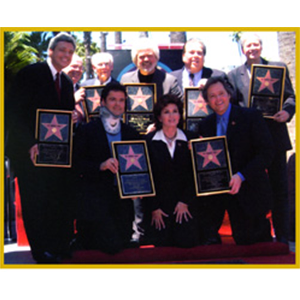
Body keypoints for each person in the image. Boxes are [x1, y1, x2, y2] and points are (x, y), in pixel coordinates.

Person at [6, 32, 77, 263]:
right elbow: (13, 113)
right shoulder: (30, 74)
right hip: (29, 154)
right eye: (62, 50)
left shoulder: (66, 83)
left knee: (54, 201)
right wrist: (30, 144)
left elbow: (62, 118)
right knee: (35, 201)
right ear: (51, 51)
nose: (66, 55)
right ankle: (40, 251)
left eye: (70, 52)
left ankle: (56, 247)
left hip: (56, 156)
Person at [227, 33, 296, 244]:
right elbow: (234, 107)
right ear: (242, 49)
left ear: (261, 47)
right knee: (253, 187)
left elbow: (291, 96)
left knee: (280, 188)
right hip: (250, 143)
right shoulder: (233, 75)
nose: (252, 49)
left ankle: (283, 235)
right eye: (248, 45)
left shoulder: (277, 68)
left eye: (255, 44)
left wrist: (287, 111)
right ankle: (257, 234)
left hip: (275, 135)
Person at [197, 76, 274, 245]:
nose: (218, 99)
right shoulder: (205, 125)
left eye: (221, 94)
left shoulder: (251, 116)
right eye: (212, 96)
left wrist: (241, 176)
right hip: (217, 196)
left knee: (254, 246)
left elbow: (266, 153)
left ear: (229, 94)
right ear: (207, 101)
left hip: (249, 192)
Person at [73, 82, 140, 254]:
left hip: (121, 202)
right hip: (95, 201)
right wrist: (100, 166)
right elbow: (75, 164)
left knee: (122, 242)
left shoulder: (131, 133)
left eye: (121, 100)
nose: (117, 104)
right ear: (102, 102)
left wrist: (137, 187)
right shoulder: (87, 130)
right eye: (112, 100)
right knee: (108, 246)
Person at [143, 94, 199, 247]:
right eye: (166, 112)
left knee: (186, 243)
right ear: (159, 117)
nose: (172, 115)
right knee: (161, 246)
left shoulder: (192, 139)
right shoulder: (148, 142)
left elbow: (196, 176)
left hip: (185, 205)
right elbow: (146, 178)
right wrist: (154, 207)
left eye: (175, 111)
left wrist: (185, 201)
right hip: (159, 209)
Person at [63, 54, 85, 123]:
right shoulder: (55, 88)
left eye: (80, 67)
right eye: (74, 66)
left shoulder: (84, 90)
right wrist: (73, 100)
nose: (78, 70)